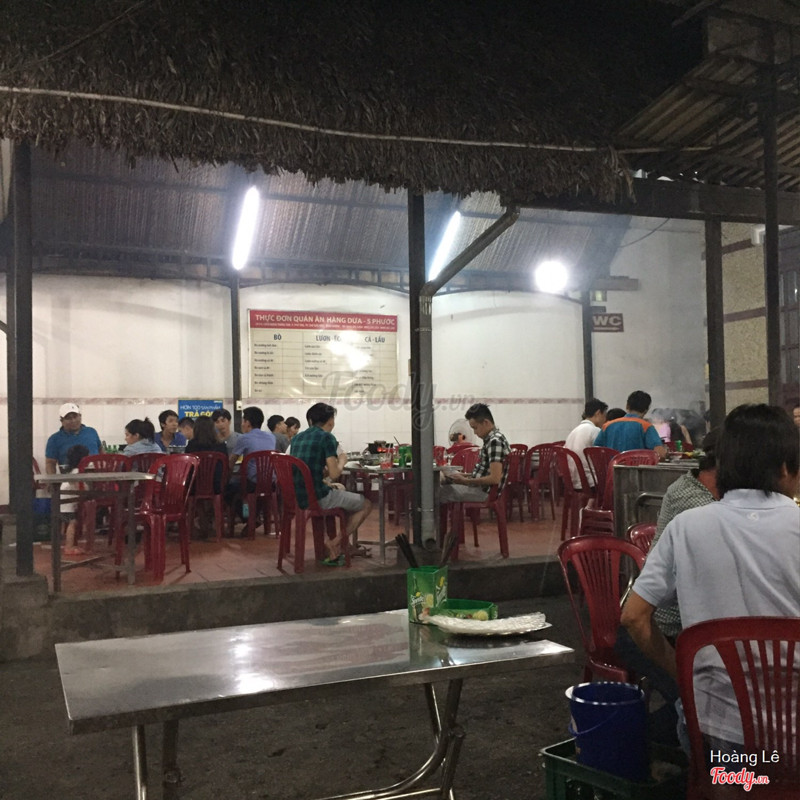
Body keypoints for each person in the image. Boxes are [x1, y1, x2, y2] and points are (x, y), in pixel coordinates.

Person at [621, 404, 800, 754]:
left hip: (716, 737)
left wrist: (682, 674)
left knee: (730, 773)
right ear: (784, 467)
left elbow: (633, 617)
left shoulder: (687, 528)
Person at [614, 428, 719, 745]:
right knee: (703, 701)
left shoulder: (706, 494)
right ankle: (626, 745)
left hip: (681, 627)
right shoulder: (697, 505)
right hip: (660, 629)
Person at [290, 402, 372, 564]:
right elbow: (335, 474)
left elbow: (309, 469)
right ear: (331, 421)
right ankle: (335, 542)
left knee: (346, 500)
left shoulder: (297, 438)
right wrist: (342, 461)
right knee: (366, 504)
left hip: (299, 496)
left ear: (310, 421)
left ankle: (345, 546)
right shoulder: (326, 437)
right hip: (318, 497)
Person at [440, 403, 510, 505]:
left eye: (475, 428)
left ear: (485, 422)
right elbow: (486, 472)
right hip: (479, 488)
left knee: (437, 492)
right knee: (446, 483)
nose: (474, 432)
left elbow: (495, 478)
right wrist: (464, 476)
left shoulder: (495, 442)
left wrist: (466, 481)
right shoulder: (495, 438)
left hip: (483, 493)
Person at [594, 390, 666, 459]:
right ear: (646, 410)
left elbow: (595, 451)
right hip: (638, 467)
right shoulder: (646, 427)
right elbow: (660, 454)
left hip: (612, 467)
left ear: (627, 406)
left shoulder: (607, 426)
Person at [228, 407, 276, 497]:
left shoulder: (244, 438)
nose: (242, 424)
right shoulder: (272, 437)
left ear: (248, 423)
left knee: (230, 488)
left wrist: (227, 477)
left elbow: (231, 462)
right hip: (271, 483)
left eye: (243, 421)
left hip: (252, 485)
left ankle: (243, 505)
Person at [45, 403, 103, 474]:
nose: (73, 420)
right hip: (69, 478)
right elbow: (50, 463)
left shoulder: (91, 432)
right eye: (68, 418)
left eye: (75, 416)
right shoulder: (54, 439)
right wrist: (52, 480)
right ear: (62, 421)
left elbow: (101, 451)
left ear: (80, 416)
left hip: (95, 477)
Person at [564, 398, 608, 487]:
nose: (605, 420)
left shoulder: (573, 432)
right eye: (604, 416)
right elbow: (602, 459)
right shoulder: (595, 431)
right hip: (591, 482)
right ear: (598, 413)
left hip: (572, 481)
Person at [60, 444, 90, 556]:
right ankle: (69, 546)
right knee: (72, 523)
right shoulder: (77, 472)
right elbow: (80, 487)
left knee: (70, 523)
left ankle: (71, 544)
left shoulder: (71, 470)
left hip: (65, 502)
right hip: (67, 504)